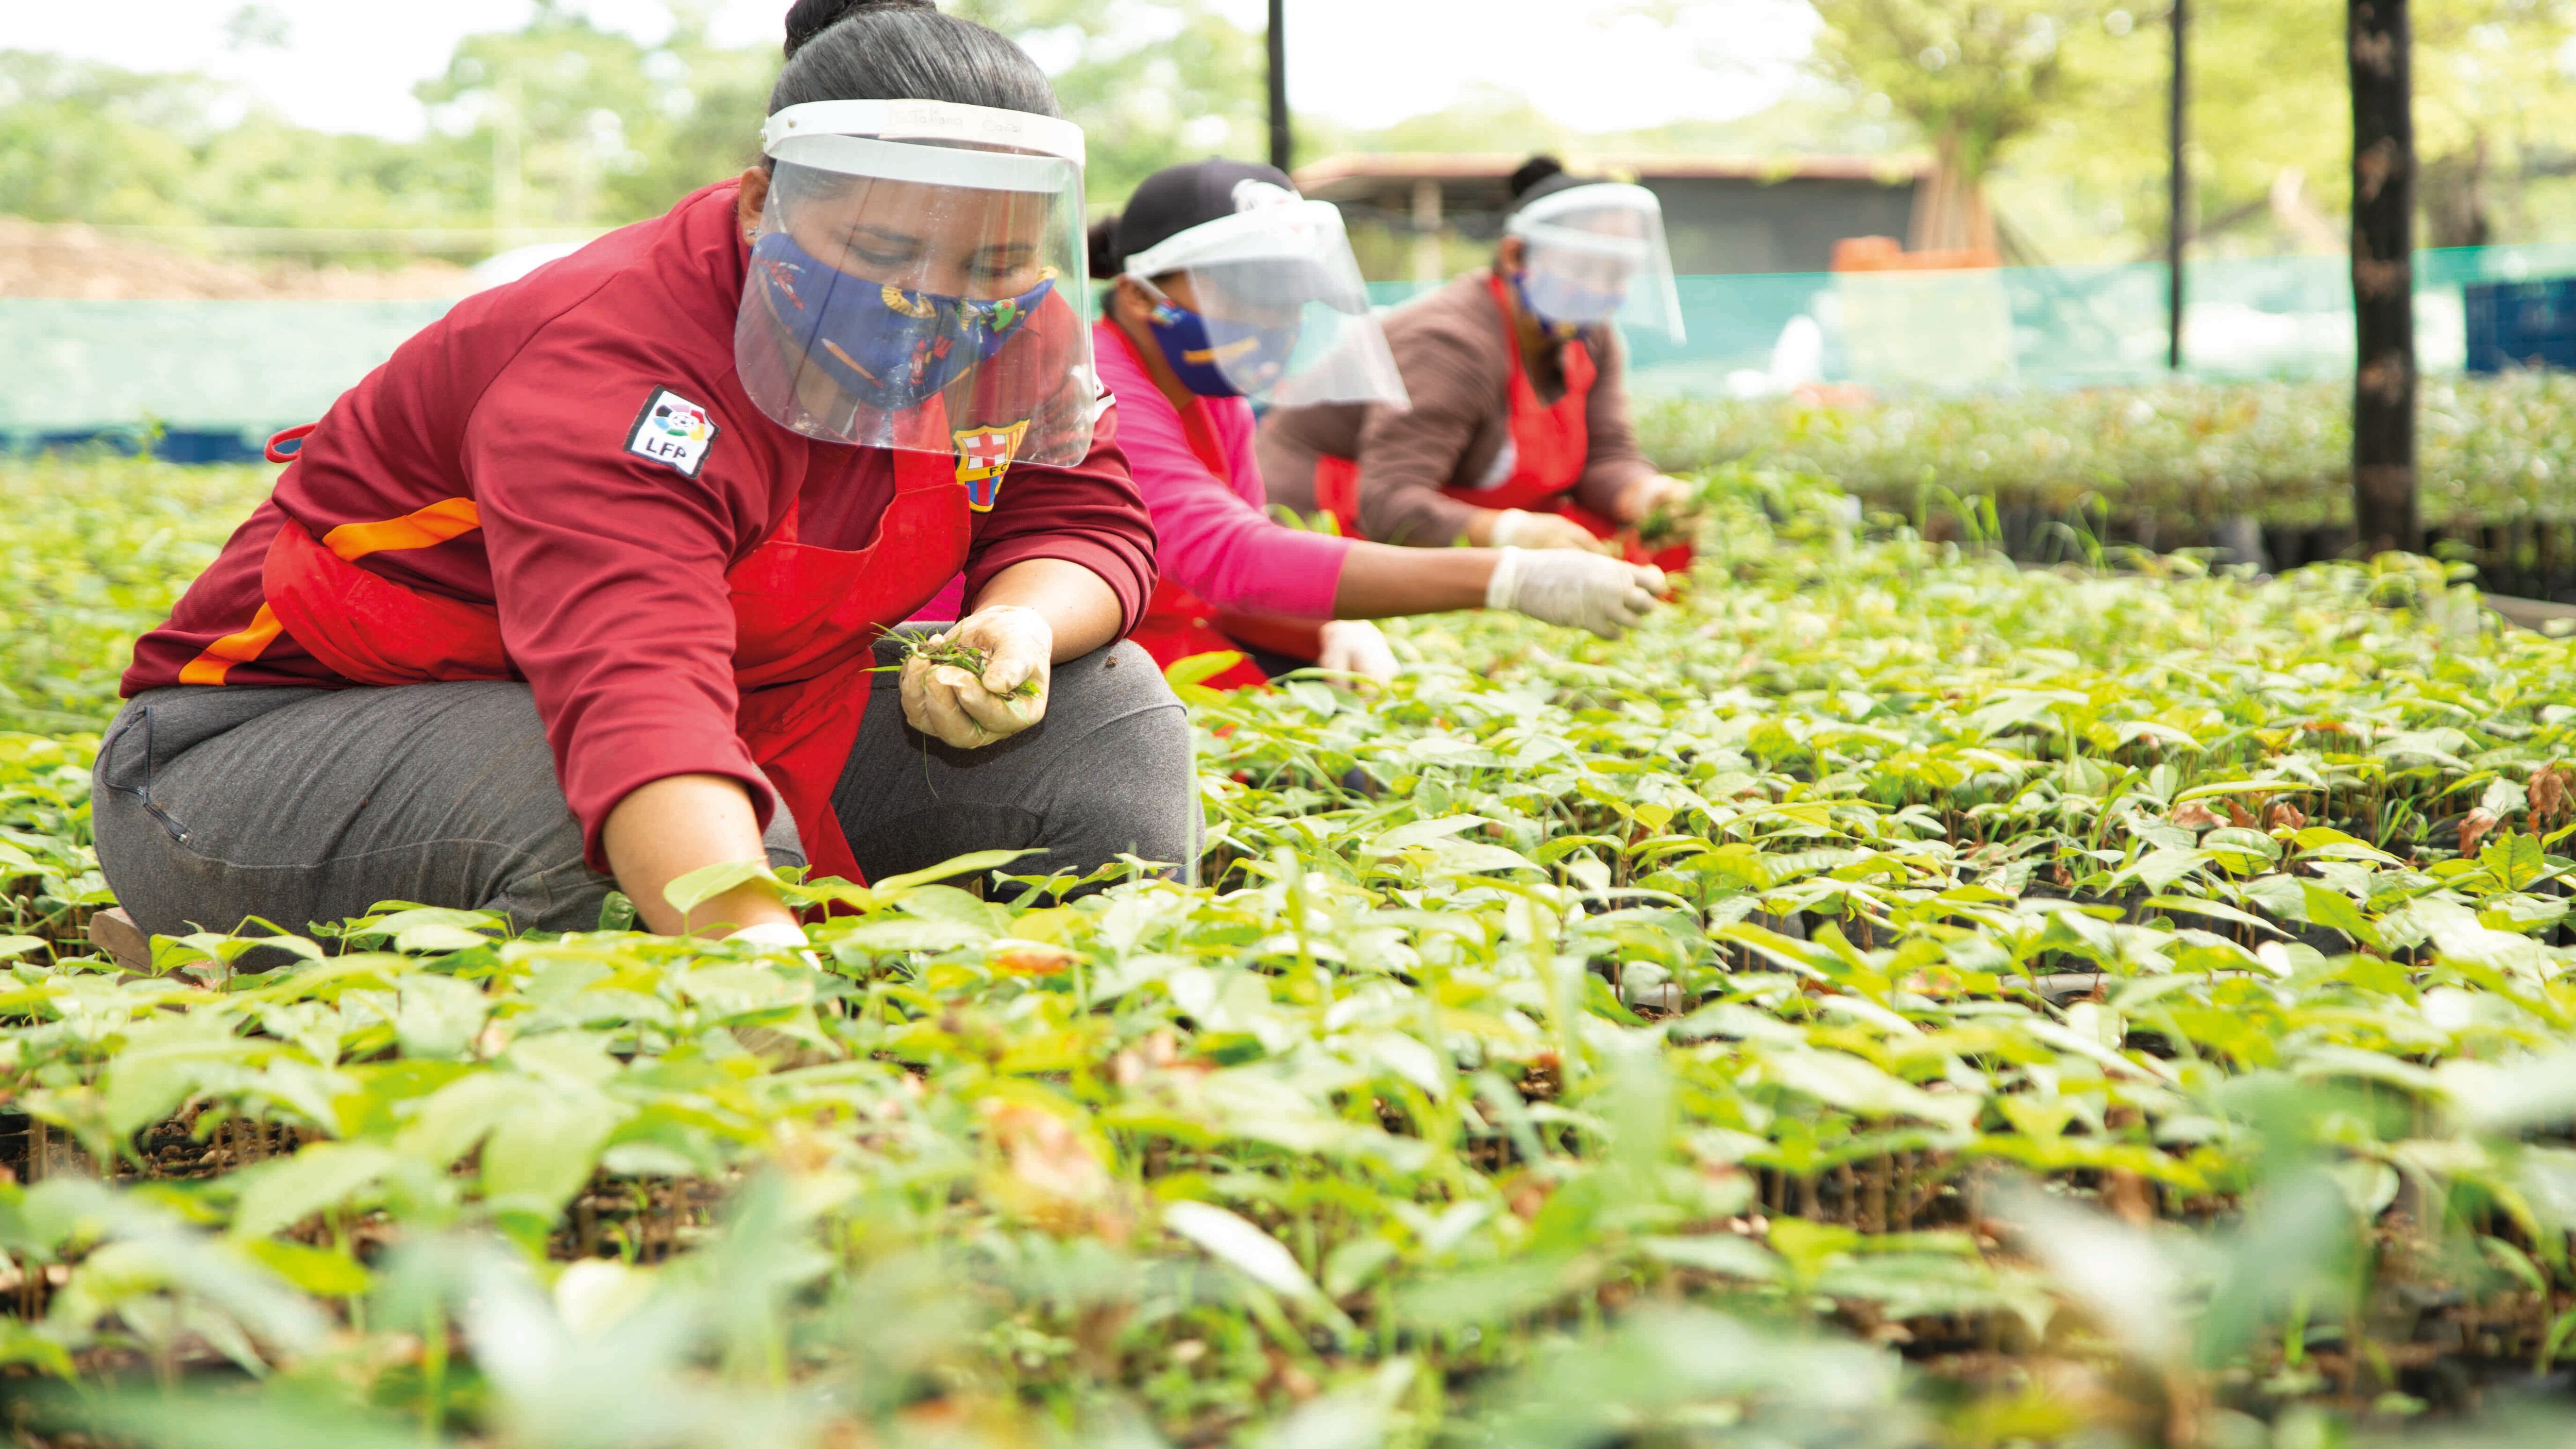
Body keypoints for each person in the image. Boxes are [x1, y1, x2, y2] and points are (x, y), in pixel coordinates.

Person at [91, 0, 1192, 952]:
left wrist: (1025, 622)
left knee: (1108, 722)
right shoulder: (607, 357)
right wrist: (761, 982)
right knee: (608, 818)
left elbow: (1076, 505)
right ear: (766, 203)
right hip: (256, 752)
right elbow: (639, 690)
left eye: (993, 264)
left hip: (745, 713)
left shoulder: (1011, 327)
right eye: (885, 253)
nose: (936, 304)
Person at [1065, 158, 1670, 688]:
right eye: (1247, 289)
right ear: (1140, 295)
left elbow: (1221, 583)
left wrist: (1324, 630)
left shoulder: (1211, 390)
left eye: (1290, 294)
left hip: (1171, 643)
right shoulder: (1106, 390)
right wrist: (1509, 576)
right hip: (1087, 664)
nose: (1276, 317)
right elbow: (1231, 558)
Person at [1258, 157, 1699, 569]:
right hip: (1322, 525)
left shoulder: (1588, 336)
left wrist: (1646, 494)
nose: (1602, 290)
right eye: (1583, 270)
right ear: (1515, 258)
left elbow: (1606, 457)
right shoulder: (1449, 344)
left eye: (1617, 275)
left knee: (1649, 550)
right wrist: (1514, 532)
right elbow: (1390, 503)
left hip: (1445, 512)